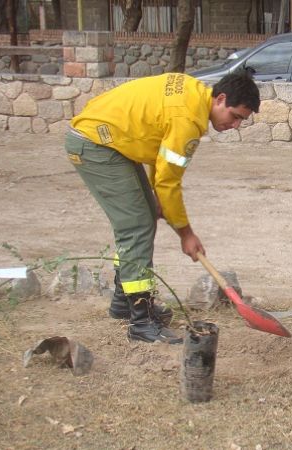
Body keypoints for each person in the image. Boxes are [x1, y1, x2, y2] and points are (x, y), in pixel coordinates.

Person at [65, 72, 260, 344]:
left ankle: (124, 302)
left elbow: (157, 146)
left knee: (143, 218)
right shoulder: (188, 119)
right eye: (236, 116)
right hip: (96, 144)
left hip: (110, 141)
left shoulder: (192, 94)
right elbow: (169, 183)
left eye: (242, 120)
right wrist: (186, 234)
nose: (236, 125)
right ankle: (141, 322)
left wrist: (157, 197)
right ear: (221, 99)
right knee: (136, 226)